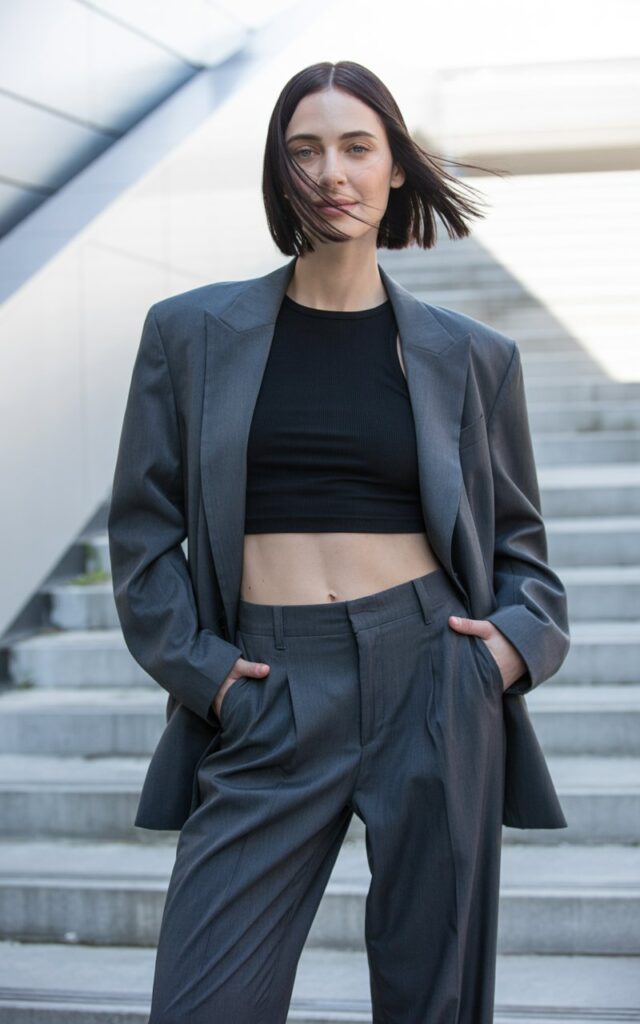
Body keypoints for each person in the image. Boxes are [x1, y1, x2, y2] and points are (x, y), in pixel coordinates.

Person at [108, 60, 570, 1024]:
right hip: (267, 684)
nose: (333, 173)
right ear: (281, 176)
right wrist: (206, 673)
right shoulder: (189, 333)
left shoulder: (471, 356)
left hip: (433, 677)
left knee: (432, 998)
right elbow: (144, 535)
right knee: (205, 1001)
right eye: (305, 151)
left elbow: (521, 550)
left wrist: (509, 653)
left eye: (358, 147)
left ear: (396, 164)